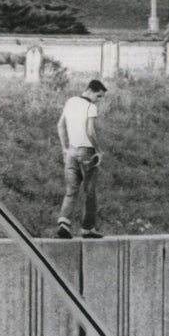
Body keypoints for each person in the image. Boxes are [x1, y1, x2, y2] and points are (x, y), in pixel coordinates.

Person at [55, 79, 107, 239]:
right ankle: (87, 228)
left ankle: (63, 223)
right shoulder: (91, 106)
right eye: (98, 96)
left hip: (71, 151)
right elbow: (90, 131)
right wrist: (99, 151)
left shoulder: (70, 101)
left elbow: (60, 125)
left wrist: (65, 148)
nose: (99, 100)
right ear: (90, 91)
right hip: (87, 152)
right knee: (90, 191)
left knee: (71, 190)